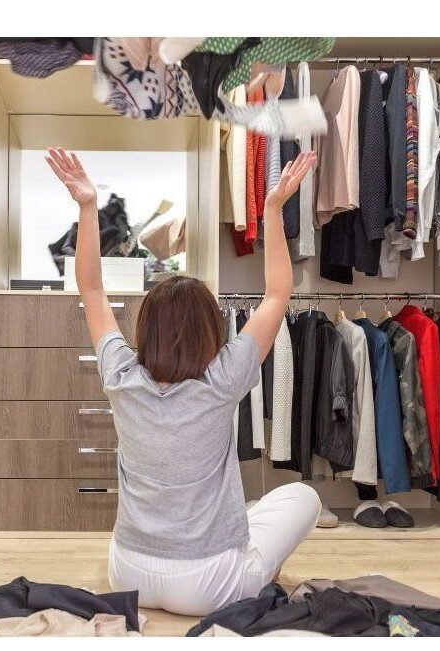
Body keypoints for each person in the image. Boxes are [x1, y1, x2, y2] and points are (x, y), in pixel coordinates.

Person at [44, 147, 322, 617]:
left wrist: (88, 207)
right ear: (210, 329)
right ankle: (254, 573)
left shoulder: (121, 375)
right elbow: (278, 293)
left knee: (249, 513)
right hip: (207, 585)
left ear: (147, 328)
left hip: (127, 576)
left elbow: (91, 289)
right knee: (303, 498)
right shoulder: (224, 377)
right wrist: (273, 208)